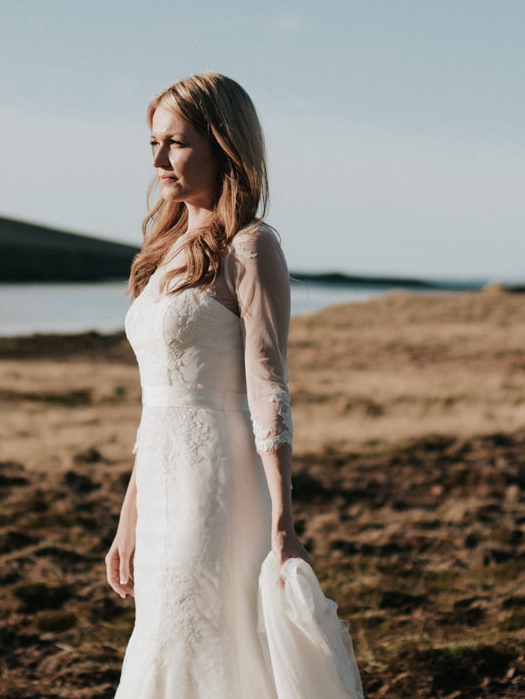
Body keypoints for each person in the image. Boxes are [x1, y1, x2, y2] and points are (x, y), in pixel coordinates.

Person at [106, 73, 358, 698]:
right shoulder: (164, 252)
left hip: (218, 482)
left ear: (223, 144)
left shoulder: (249, 247)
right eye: (155, 144)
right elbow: (158, 404)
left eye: (179, 142)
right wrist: (128, 515)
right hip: (162, 484)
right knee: (164, 635)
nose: (161, 159)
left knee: (211, 636)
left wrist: (283, 522)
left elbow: (268, 383)